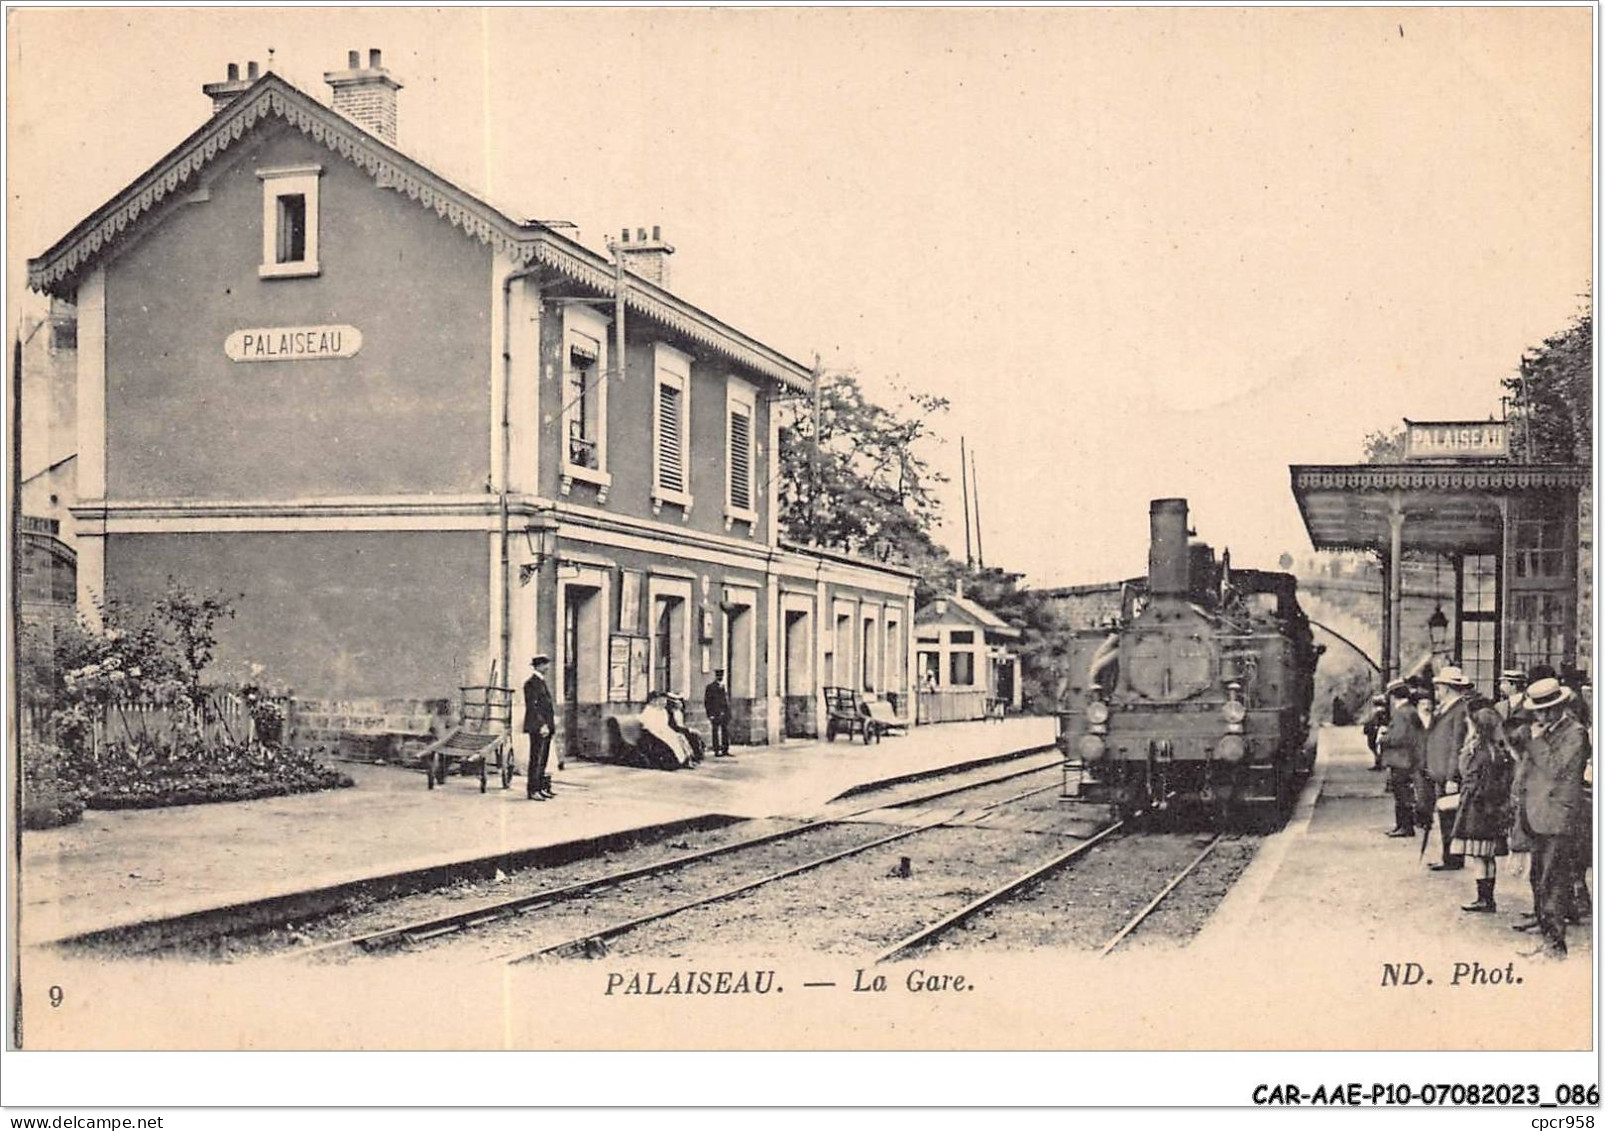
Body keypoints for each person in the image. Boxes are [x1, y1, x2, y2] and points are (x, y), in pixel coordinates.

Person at [1510, 677, 1592, 959]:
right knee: (1538, 880)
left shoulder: (1575, 733)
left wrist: (1535, 741)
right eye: (1537, 711)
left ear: (1560, 707)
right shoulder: (1543, 733)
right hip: (1538, 817)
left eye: (1546, 711)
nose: (1541, 717)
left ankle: (1556, 947)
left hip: (1559, 820)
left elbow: (1555, 769)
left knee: (1554, 882)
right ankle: (1548, 940)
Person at [1448, 707, 1515, 912]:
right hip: (1492, 808)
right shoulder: (1499, 751)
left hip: (1476, 809)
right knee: (1488, 855)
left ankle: (1483, 898)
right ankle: (1488, 897)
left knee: (1479, 856)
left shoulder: (1477, 751)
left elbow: (1471, 777)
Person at [1423, 666, 1473, 871]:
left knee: (1449, 816)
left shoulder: (1460, 710)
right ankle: (1448, 855)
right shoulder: (1446, 708)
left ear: (1449, 688)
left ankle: (1452, 858)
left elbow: (1456, 745)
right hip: (1439, 771)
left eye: (1440, 687)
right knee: (1444, 816)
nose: (1437, 691)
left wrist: (1453, 776)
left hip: (1448, 773)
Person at [1378, 680, 1426, 838]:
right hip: (1408, 758)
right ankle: (1403, 826)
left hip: (1401, 759)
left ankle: (1404, 827)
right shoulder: (1410, 710)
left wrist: (1383, 738)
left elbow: (1399, 737)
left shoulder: (1400, 712)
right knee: (1403, 792)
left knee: (1401, 793)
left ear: (1393, 696)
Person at [522, 654, 556, 800]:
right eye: (545, 664)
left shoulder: (541, 681)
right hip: (538, 727)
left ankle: (541, 787)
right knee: (536, 758)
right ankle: (532, 790)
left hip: (546, 726)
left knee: (543, 758)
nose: (547, 667)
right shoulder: (531, 683)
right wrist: (542, 724)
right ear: (538, 666)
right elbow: (533, 707)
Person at [704, 669, 732, 758]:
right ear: (716, 677)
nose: (720, 678)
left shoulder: (723, 687)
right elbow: (707, 702)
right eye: (719, 676)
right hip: (715, 713)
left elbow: (725, 701)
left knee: (725, 731)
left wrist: (728, 713)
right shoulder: (710, 687)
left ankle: (725, 750)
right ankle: (716, 750)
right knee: (715, 731)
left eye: (721, 676)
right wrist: (710, 714)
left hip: (724, 714)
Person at [1362, 694, 1388, 771]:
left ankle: (1379, 763)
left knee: (1376, 746)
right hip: (1374, 730)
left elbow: (1375, 721)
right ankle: (1379, 762)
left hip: (1375, 730)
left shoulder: (1379, 712)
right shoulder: (1378, 711)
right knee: (1375, 746)